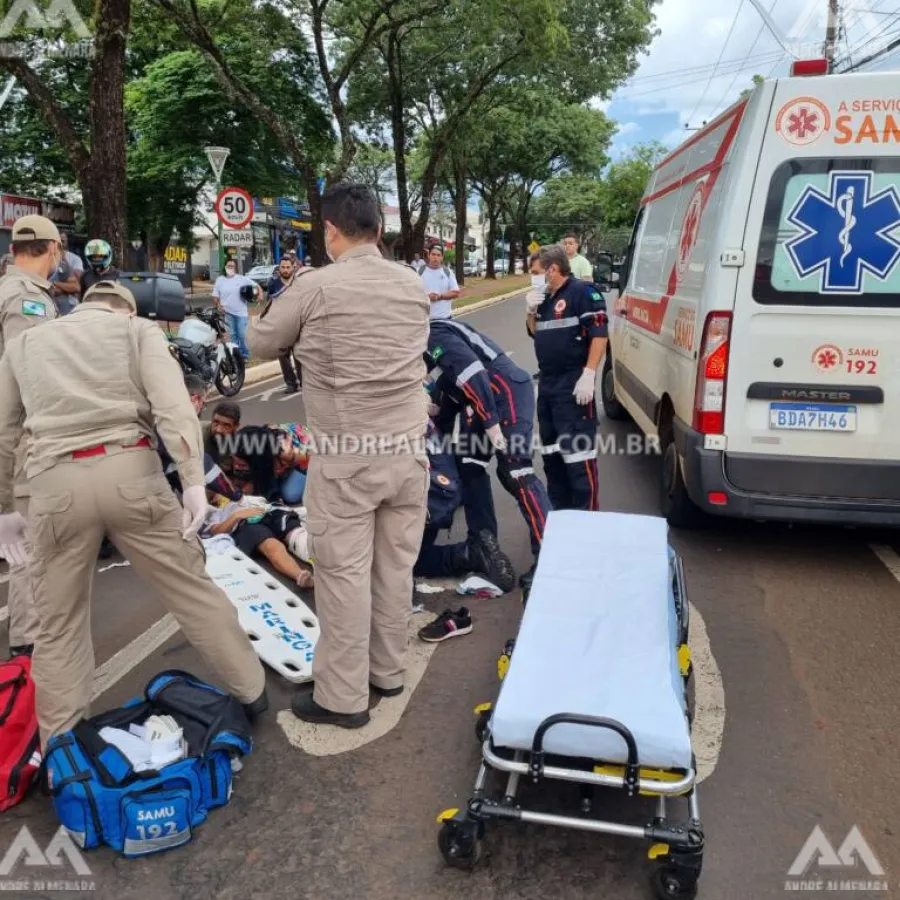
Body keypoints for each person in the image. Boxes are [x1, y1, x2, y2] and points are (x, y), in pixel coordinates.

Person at [0, 279, 267, 747]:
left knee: (58, 624)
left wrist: (4, 508)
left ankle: (60, 746)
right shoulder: (137, 332)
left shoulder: (25, 344)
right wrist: (191, 483)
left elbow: (3, 432)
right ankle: (252, 691)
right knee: (191, 590)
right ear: (125, 310)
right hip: (131, 471)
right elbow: (173, 410)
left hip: (54, 484)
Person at [248, 182, 430, 730]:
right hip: (408, 454)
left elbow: (261, 344)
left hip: (349, 458)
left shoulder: (315, 287)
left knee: (343, 577)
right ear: (377, 229)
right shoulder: (412, 283)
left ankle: (342, 698)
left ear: (330, 231)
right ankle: (388, 671)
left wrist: (265, 300)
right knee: (395, 569)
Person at [425, 316, 551, 587]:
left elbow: (472, 373)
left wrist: (492, 423)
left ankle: (551, 557)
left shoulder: (431, 333)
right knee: (468, 467)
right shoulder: (426, 351)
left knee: (515, 471)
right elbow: (442, 422)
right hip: (479, 398)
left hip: (502, 388)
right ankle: (483, 544)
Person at [0, 215, 61, 658]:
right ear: (53, 249)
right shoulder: (27, 299)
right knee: (28, 544)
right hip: (21, 435)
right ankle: (27, 644)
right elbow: (30, 373)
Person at [527, 245, 607, 515]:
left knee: (578, 460)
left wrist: (589, 374)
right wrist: (530, 311)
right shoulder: (544, 298)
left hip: (573, 384)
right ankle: (561, 520)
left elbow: (599, 333)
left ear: (552, 269)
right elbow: (535, 334)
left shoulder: (582, 292)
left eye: (536, 272)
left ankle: (587, 524)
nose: (533, 278)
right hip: (548, 386)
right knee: (553, 459)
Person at [415, 420, 514, 591]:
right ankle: (478, 549)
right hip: (443, 491)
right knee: (472, 467)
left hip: (427, 499)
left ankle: (470, 554)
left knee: (405, 560)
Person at [213, 259, 260, 361]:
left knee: (242, 334)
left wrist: (259, 295)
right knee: (233, 335)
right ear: (225, 267)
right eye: (228, 266)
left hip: (241, 312)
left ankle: (245, 354)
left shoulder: (241, 279)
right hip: (227, 312)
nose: (230, 268)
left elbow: (256, 286)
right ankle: (236, 356)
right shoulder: (220, 280)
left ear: (236, 268)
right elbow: (215, 296)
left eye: (232, 266)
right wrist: (218, 304)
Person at [267, 257, 302, 394]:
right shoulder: (273, 284)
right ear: (279, 268)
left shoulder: (299, 283)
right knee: (283, 356)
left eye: (288, 267)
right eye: (283, 267)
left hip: (298, 325)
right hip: (280, 326)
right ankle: (291, 383)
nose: (286, 270)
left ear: (293, 268)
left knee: (300, 355)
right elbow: (269, 304)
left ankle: (304, 381)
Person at [420, 245, 460, 320]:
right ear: (428, 255)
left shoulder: (448, 272)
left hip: (444, 318)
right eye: (433, 254)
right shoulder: (419, 271)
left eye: (438, 255)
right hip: (424, 320)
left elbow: (456, 292)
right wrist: (426, 297)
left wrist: (440, 297)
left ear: (442, 257)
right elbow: (412, 292)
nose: (435, 257)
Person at [49, 233, 83, 315]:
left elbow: (76, 285)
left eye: (63, 241)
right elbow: (50, 290)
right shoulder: (47, 259)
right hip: (51, 305)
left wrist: (54, 283)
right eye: (59, 240)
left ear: (67, 241)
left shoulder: (75, 259)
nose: (61, 243)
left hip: (70, 304)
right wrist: (65, 289)